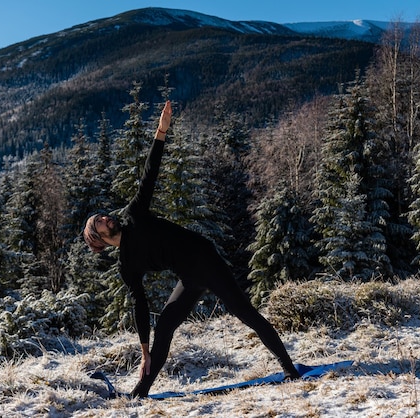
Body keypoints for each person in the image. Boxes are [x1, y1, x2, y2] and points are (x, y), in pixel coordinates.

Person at [83, 101, 300, 398]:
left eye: (103, 216)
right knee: (164, 327)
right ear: (99, 239)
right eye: (100, 223)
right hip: (188, 275)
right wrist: (144, 351)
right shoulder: (126, 264)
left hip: (205, 259)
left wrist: (161, 132)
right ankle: (140, 393)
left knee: (245, 313)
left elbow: (150, 174)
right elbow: (140, 305)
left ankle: (290, 369)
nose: (106, 218)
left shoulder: (135, 215)